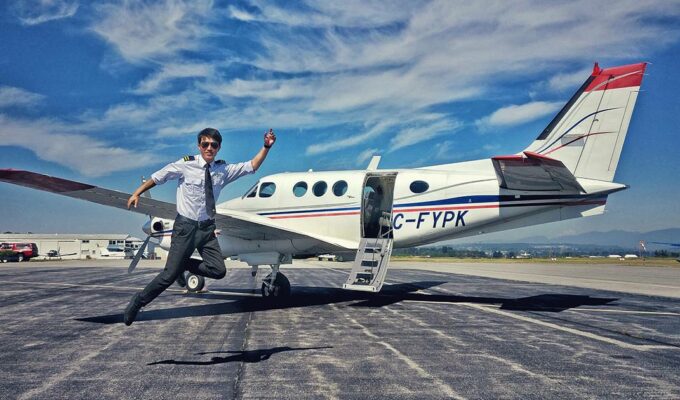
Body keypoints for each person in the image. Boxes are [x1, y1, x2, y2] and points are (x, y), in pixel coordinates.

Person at [123, 127, 276, 325]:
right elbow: (159, 177)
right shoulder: (186, 165)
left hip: (206, 229)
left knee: (218, 270)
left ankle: (184, 264)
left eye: (213, 145)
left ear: (219, 147)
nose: (209, 148)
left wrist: (266, 147)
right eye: (205, 144)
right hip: (185, 226)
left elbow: (252, 166)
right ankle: (138, 301)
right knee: (168, 276)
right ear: (199, 145)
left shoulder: (223, 170)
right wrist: (137, 192)